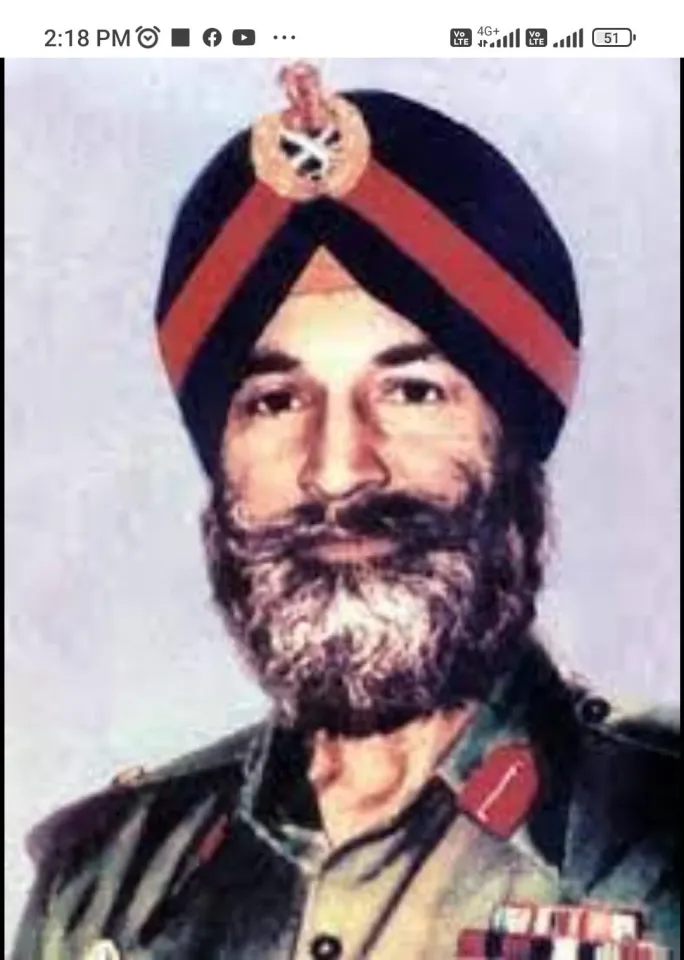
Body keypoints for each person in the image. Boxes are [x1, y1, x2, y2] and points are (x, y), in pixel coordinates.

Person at [13, 63, 679, 960]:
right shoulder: (106, 883)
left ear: (512, 441)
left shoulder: (659, 841)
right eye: (276, 401)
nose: (336, 471)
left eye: (411, 391)